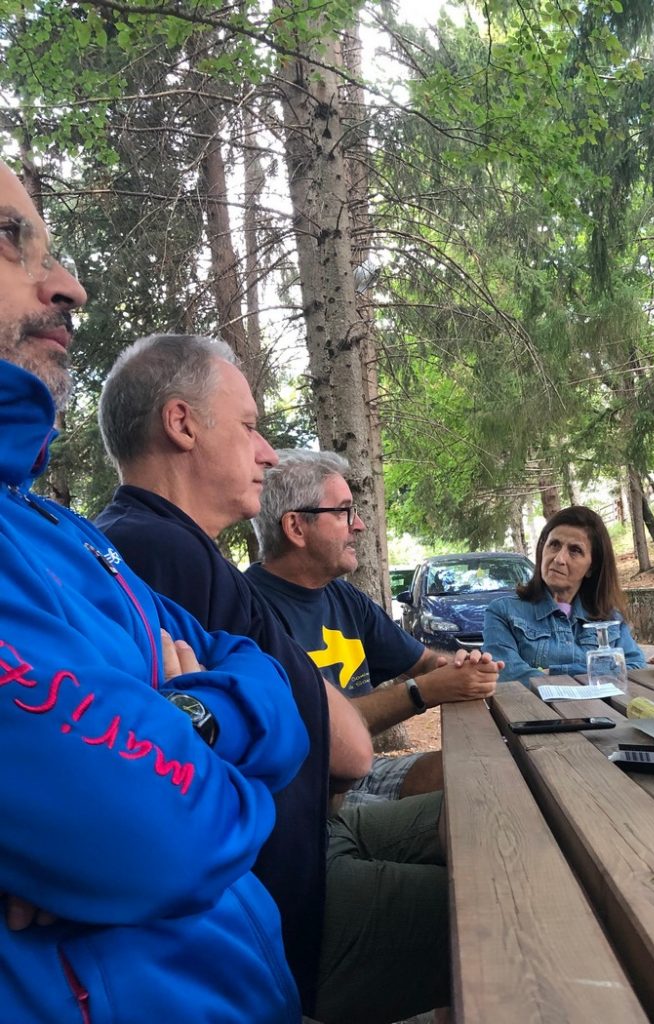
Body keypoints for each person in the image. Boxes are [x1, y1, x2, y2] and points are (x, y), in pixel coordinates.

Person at [0, 161, 309, 1020]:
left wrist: (185, 719)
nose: (69, 286)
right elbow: (163, 836)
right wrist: (159, 798)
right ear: (181, 425)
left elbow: (268, 687)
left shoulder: (67, 535)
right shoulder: (137, 541)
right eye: (9, 239)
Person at [95, 333, 447, 1024]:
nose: (266, 453)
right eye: (250, 427)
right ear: (181, 423)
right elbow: (348, 753)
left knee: (489, 820)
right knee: (524, 890)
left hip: (313, 839)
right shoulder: (163, 553)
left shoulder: (153, 548)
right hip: (289, 907)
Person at [248, 449, 501, 801]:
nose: (359, 525)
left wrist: (460, 667)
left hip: (363, 774)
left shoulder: (342, 596)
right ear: (295, 527)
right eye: (343, 512)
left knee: (483, 771)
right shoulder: (250, 611)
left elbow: (423, 661)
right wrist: (423, 691)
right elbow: (319, 730)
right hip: (306, 796)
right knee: (476, 805)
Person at [484, 505, 646, 686]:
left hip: (602, 705)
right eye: (554, 545)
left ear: (591, 567)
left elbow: (636, 667)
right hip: (532, 706)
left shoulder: (609, 617)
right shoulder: (504, 611)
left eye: (575, 550)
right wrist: (597, 672)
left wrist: (553, 672)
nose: (559, 559)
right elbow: (507, 673)